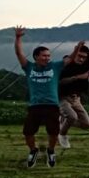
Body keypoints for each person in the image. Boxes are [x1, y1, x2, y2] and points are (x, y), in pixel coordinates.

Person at [13, 26, 80, 168]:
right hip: (35, 105)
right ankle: (33, 150)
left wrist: (76, 49)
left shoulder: (54, 67)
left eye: (48, 56)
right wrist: (18, 38)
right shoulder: (29, 67)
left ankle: (51, 150)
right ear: (36, 57)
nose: (47, 58)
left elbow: (70, 60)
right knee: (28, 132)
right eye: (44, 56)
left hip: (51, 105)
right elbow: (19, 53)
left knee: (53, 131)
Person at [57, 42, 89, 149]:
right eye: (79, 56)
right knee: (72, 116)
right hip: (62, 97)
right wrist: (78, 77)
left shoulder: (86, 61)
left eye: (84, 57)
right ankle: (62, 134)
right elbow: (60, 82)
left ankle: (63, 120)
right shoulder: (66, 64)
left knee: (87, 124)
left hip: (76, 98)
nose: (81, 59)